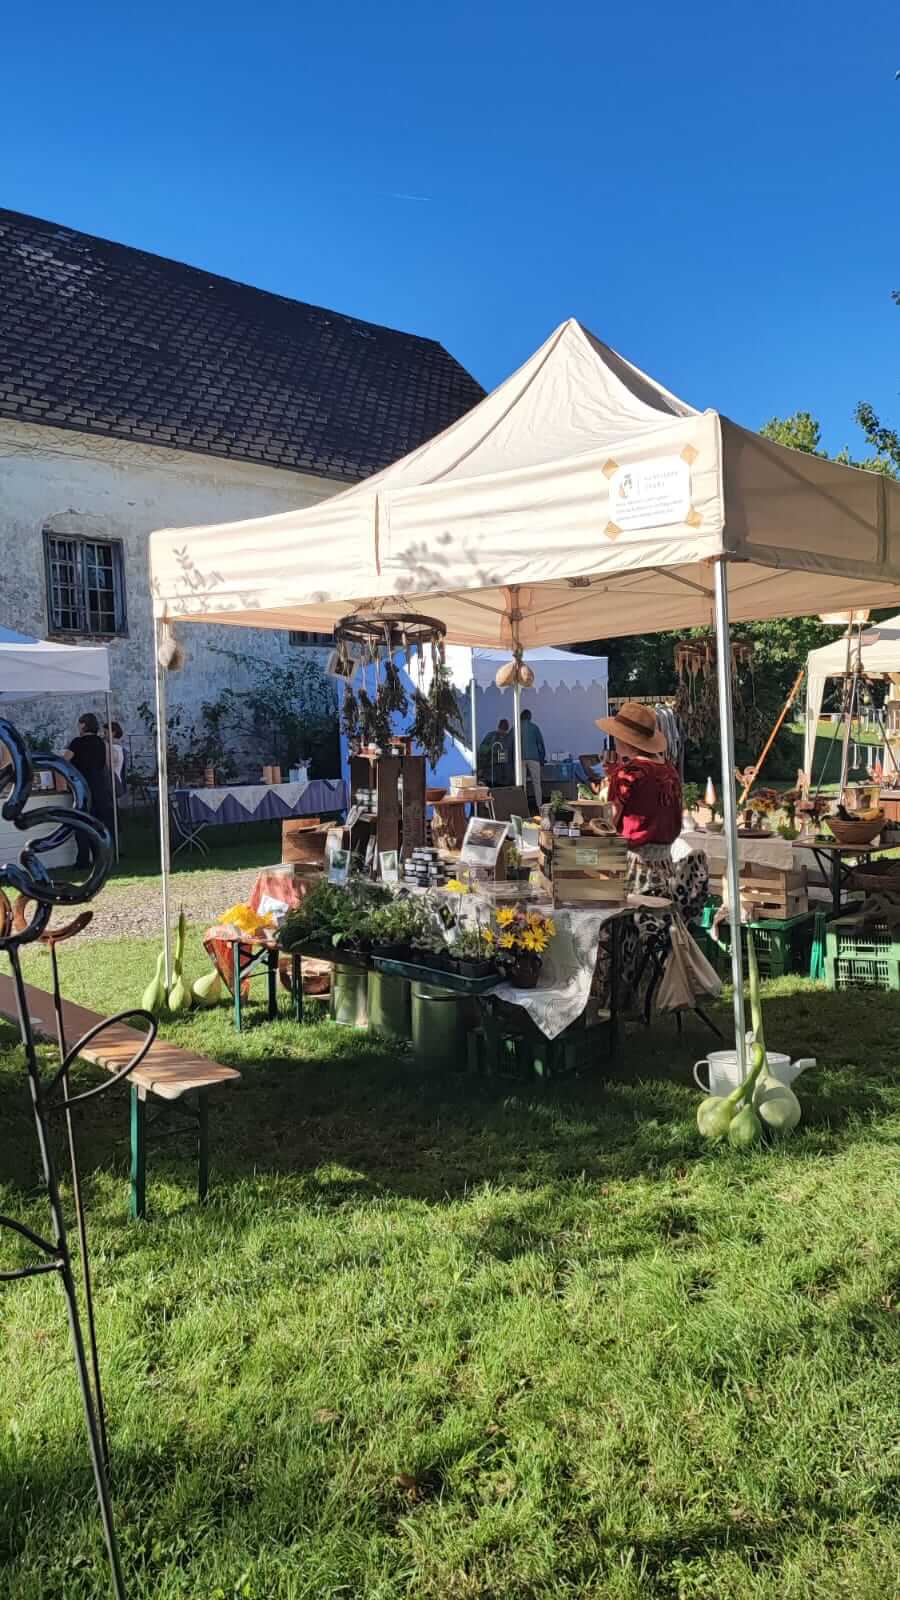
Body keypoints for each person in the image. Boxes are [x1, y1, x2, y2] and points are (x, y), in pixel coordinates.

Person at [595, 700, 682, 895]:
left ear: (626, 740)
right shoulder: (670, 770)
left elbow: (610, 821)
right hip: (665, 864)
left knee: (632, 920)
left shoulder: (628, 774)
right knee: (661, 918)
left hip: (634, 866)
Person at [64, 712, 113, 866]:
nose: (78, 727)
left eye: (79, 723)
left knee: (82, 823)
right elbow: (105, 763)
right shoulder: (100, 742)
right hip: (99, 785)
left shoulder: (77, 743)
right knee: (98, 823)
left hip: (82, 786)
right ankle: (101, 856)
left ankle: (83, 859)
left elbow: (64, 760)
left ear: (84, 725)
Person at [519, 708, 546, 810]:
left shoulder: (517, 727)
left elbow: (510, 742)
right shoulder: (534, 727)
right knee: (536, 783)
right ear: (529, 717)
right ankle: (539, 806)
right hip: (534, 758)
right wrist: (542, 758)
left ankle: (523, 806)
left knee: (522, 783)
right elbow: (540, 744)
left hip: (520, 758)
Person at [477, 717, 512, 784]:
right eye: (502, 729)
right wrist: (491, 748)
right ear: (499, 728)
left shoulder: (508, 737)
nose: (503, 732)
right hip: (489, 768)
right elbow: (482, 748)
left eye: (504, 730)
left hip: (502, 770)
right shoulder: (491, 735)